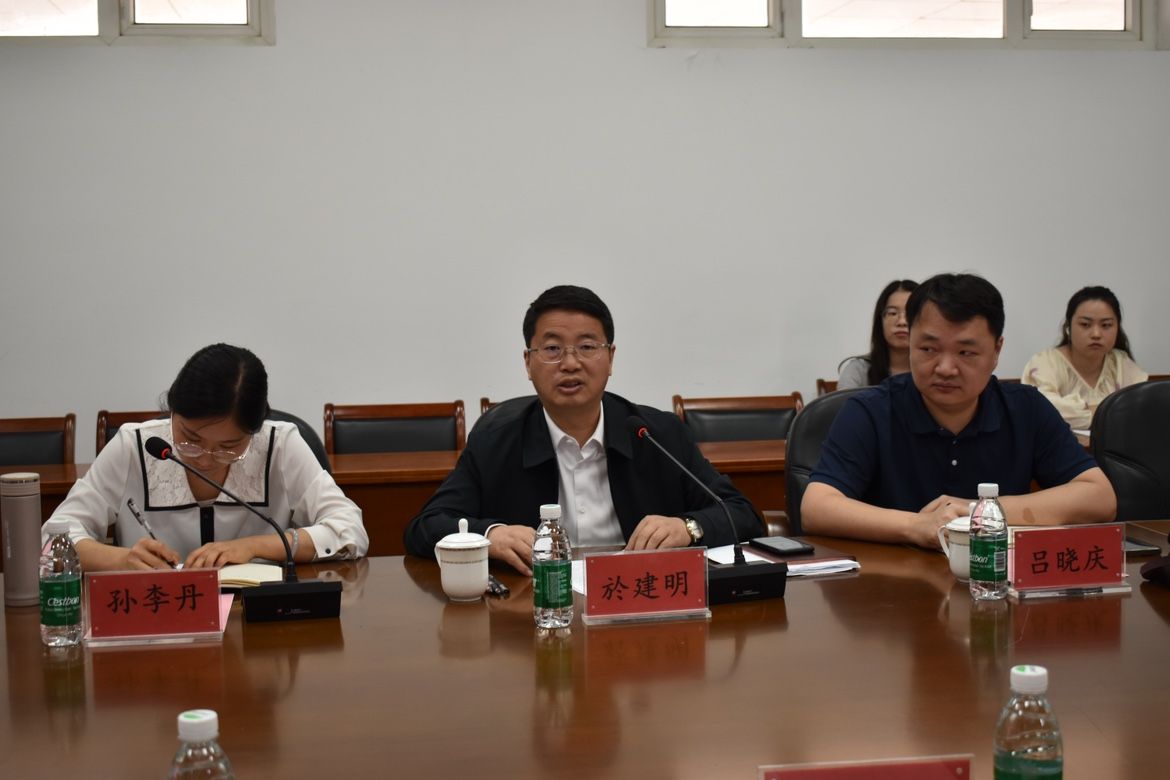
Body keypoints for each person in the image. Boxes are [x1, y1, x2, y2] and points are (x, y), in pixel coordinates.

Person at [403, 285, 760, 575]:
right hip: (533, 611)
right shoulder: (495, 442)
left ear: (611, 358)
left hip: (637, 606)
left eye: (587, 347)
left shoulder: (655, 434)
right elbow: (425, 526)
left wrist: (687, 528)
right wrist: (490, 536)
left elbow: (742, 514)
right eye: (552, 349)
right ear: (528, 362)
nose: (570, 363)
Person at [802, 273, 1116, 550]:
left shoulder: (1025, 409)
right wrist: (917, 526)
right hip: (890, 587)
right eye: (928, 349)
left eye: (966, 352)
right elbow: (816, 507)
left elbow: (1099, 497)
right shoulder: (870, 411)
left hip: (994, 582)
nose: (945, 368)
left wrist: (978, 512)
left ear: (996, 351)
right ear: (910, 343)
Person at [48, 344, 368, 571]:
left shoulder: (280, 446)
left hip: (257, 626)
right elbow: (53, 539)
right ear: (173, 411)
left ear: (254, 431)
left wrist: (253, 546)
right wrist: (121, 559)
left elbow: (350, 530)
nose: (205, 459)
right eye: (190, 439)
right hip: (158, 624)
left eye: (229, 446)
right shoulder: (134, 446)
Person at [1022, 285, 1147, 432]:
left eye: (1106, 325)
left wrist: (1085, 412)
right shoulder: (1045, 362)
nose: (1096, 334)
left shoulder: (1121, 363)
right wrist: (1110, 412)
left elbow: (1140, 411)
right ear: (1068, 327)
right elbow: (1042, 410)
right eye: (1085, 324)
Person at [837, 279, 919, 389]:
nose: (902, 322)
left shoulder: (934, 370)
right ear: (880, 321)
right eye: (893, 313)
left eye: (910, 313)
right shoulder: (859, 370)